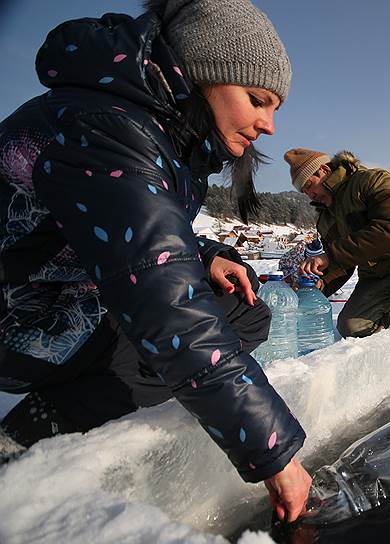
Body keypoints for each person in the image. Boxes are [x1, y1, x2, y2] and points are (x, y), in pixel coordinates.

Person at [0, 0, 311, 521]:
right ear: (201, 73)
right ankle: (39, 425)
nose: (269, 125)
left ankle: (84, 396)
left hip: (62, 299)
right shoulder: (110, 128)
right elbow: (168, 310)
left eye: (275, 108)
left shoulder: (151, 128)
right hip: (22, 322)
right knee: (174, 328)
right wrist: (274, 453)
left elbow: (130, 226)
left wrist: (206, 254)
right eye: (257, 100)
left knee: (246, 308)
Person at [284, 149, 390, 338]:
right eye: (304, 191)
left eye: (310, 185)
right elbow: (341, 264)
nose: (310, 194)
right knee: (350, 328)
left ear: (324, 169)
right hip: (376, 274)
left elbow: (387, 231)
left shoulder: (373, 180)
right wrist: (321, 284)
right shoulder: (325, 219)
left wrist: (330, 256)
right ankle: (389, 310)